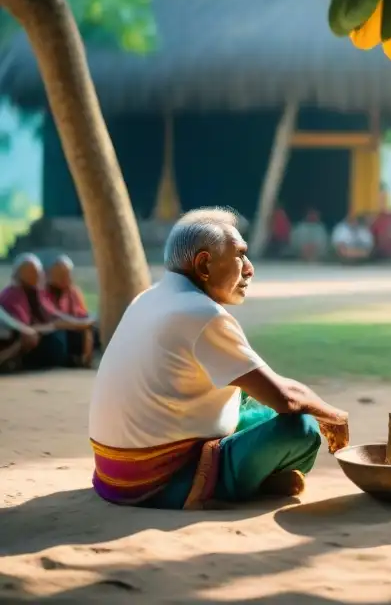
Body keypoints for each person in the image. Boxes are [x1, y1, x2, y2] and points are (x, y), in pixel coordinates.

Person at [88, 207, 350, 510]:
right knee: (301, 429)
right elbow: (286, 398)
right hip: (160, 481)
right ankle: (226, 485)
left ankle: (252, 477)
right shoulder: (202, 314)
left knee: (249, 401)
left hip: (110, 475)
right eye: (240, 255)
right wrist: (334, 416)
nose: (250, 268)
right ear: (204, 264)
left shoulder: (148, 297)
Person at [0, 253, 95, 371]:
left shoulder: (36, 293)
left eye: (36, 272)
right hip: (15, 337)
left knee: (72, 333)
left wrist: (79, 324)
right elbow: (21, 326)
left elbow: (52, 314)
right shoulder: (12, 294)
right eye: (29, 272)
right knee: (56, 339)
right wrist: (54, 325)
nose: (34, 276)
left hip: (34, 333)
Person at [45, 254, 101, 365]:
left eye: (66, 275)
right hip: (54, 329)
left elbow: (82, 314)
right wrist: (80, 324)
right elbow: (51, 319)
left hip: (74, 327)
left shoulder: (73, 292)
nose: (64, 278)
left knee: (95, 330)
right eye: (59, 275)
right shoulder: (44, 292)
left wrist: (83, 324)